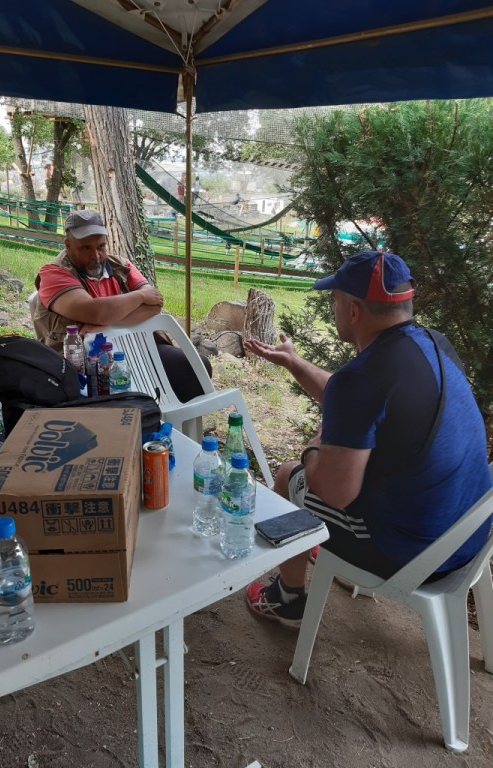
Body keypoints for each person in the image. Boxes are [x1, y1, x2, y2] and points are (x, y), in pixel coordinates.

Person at [244, 251, 492, 628]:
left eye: (335, 300)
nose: (334, 309)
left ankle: (287, 599)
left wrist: (317, 441)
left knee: (288, 476)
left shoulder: (363, 378)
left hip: (414, 556)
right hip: (466, 538)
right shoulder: (432, 344)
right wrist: (295, 363)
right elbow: (360, 400)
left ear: (353, 311)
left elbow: (334, 492)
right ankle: (334, 556)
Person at [32, 209, 212, 403]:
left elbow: (155, 304)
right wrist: (140, 296)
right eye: (85, 248)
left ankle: (167, 417)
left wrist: (105, 324)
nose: (96, 256)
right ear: (68, 245)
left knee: (196, 366)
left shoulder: (120, 265)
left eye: (101, 246)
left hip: (134, 347)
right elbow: (95, 311)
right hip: (82, 364)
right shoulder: (53, 274)